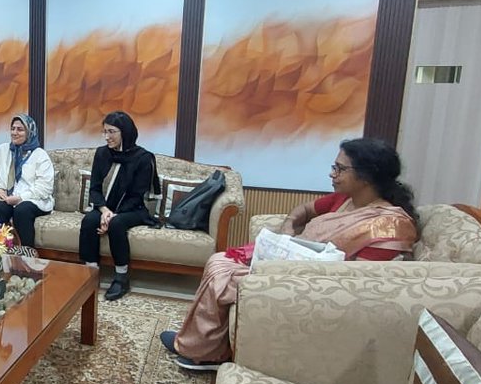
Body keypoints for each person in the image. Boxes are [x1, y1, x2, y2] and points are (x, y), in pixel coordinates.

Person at [161, 137, 419, 371]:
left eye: (340, 169)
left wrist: (295, 262)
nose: (332, 174)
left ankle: (203, 353)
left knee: (223, 272)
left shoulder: (389, 226)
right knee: (221, 260)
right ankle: (206, 345)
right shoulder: (345, 200)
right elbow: (304, 211)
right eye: (334, 166)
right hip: (296, 264)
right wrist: (287, 229)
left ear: (366, 177)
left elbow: (359, 280)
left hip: (318, 285)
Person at [80, 111, 161, 301]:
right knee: (88, 221)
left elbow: (136, 195)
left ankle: (121, 277)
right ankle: (91, 272)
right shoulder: (101, 154)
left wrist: (112, 216)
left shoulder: (143, 158)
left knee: (117, 224)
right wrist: (104, 210)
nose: (107, 136)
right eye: (104, 132)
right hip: (104, 208)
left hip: (133, 210)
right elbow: (95, 188)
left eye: (112, 131)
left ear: (125, 132)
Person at [0, 114, 54, 247]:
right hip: (8, 198)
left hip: (33, 199)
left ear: (30, 132)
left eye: (20, 129)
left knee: (22, 211)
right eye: (13, 128)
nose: (14, 133)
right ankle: (0, 253)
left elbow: (45, 188)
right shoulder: (3, 150)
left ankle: (26, 257)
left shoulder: (40, 155)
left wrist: (20, 198)